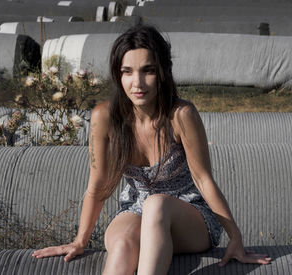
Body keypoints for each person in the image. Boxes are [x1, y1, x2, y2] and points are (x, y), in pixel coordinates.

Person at [31, 25, 271, 274]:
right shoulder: (104, 117)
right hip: (134, 210)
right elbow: (98, 184)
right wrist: (80, 241)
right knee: (123, 244)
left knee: (156, 205)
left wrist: (235, 238)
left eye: (148, 71)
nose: (137, 83)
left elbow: (203, 179)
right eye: (127, 72)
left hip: (189, 217)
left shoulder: (180, 115)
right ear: (118, 75)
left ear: (163, 73)